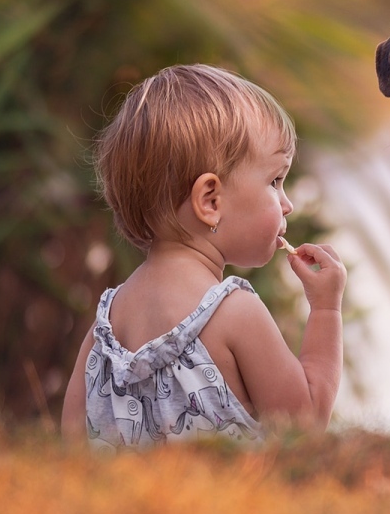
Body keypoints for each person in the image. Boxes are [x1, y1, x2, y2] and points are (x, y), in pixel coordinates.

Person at [60, 63, 346, 448]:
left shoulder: (104, 330)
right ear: (210, 201)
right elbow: (303, 428)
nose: (287, 203)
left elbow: (72, 447)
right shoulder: (233, 312)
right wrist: (326, 309)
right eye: (275, 181)